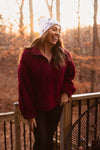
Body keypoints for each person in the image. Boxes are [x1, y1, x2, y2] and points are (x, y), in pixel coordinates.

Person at [18, 16, 76, 150]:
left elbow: (69, 76)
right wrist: (29, 113)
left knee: (49, 140)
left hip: (56, 105)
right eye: (54, 29)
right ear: (44, 31)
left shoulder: (64, 54)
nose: (57, 33)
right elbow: (24, 86)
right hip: (37, 108)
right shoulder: (28, 55)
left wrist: (66, 92)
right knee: (41, 141)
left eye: (59, 30)